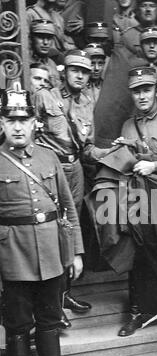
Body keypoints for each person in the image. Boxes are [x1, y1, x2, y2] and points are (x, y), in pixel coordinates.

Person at [0, 85, 89, 356]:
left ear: (35, 122)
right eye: (11, 120)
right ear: (3, 123)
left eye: (24, 119)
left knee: (50, 319)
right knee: (19, 325)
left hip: (51, 250)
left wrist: (75, 253)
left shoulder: (48, 157)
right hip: (13, 256)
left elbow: (67, 207)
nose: (18, 126)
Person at [33, 50, 110, 320]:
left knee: (69, 229)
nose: (80, 75)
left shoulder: (87, 102)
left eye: (85, 71)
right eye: (75, 70)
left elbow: (86, 147)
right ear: (64, 71)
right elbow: (30, 137)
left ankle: (65, 293)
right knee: (50, 230)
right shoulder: (45, 95)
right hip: (49, 171)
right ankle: (50, 303)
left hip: (74, 168)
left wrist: (106, 153)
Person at [115, 66, 157, 337]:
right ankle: (145, 310)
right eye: (136, 91)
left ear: (155, 90)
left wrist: (156, 167)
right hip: (138, 198)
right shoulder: (128, 124)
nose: (142, 96)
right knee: (142, 253)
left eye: (146, 89)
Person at [94, 0, 157, 148]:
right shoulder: (128, 36)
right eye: (144, 5)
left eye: (152, 5)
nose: (148, 10)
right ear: (137, 10)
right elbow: (120, 69)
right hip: (138, 97)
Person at [29, 19, 61, 89]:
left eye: (49, 38)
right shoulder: (25, 61)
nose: (45, 42)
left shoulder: (52, 64)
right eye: (40, 37)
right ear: (32, 38)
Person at [84, 43, 106, 109]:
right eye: (92, 63)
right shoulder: (78, 87)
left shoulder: (107, 87)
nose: (97, 68)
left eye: (100, 64)